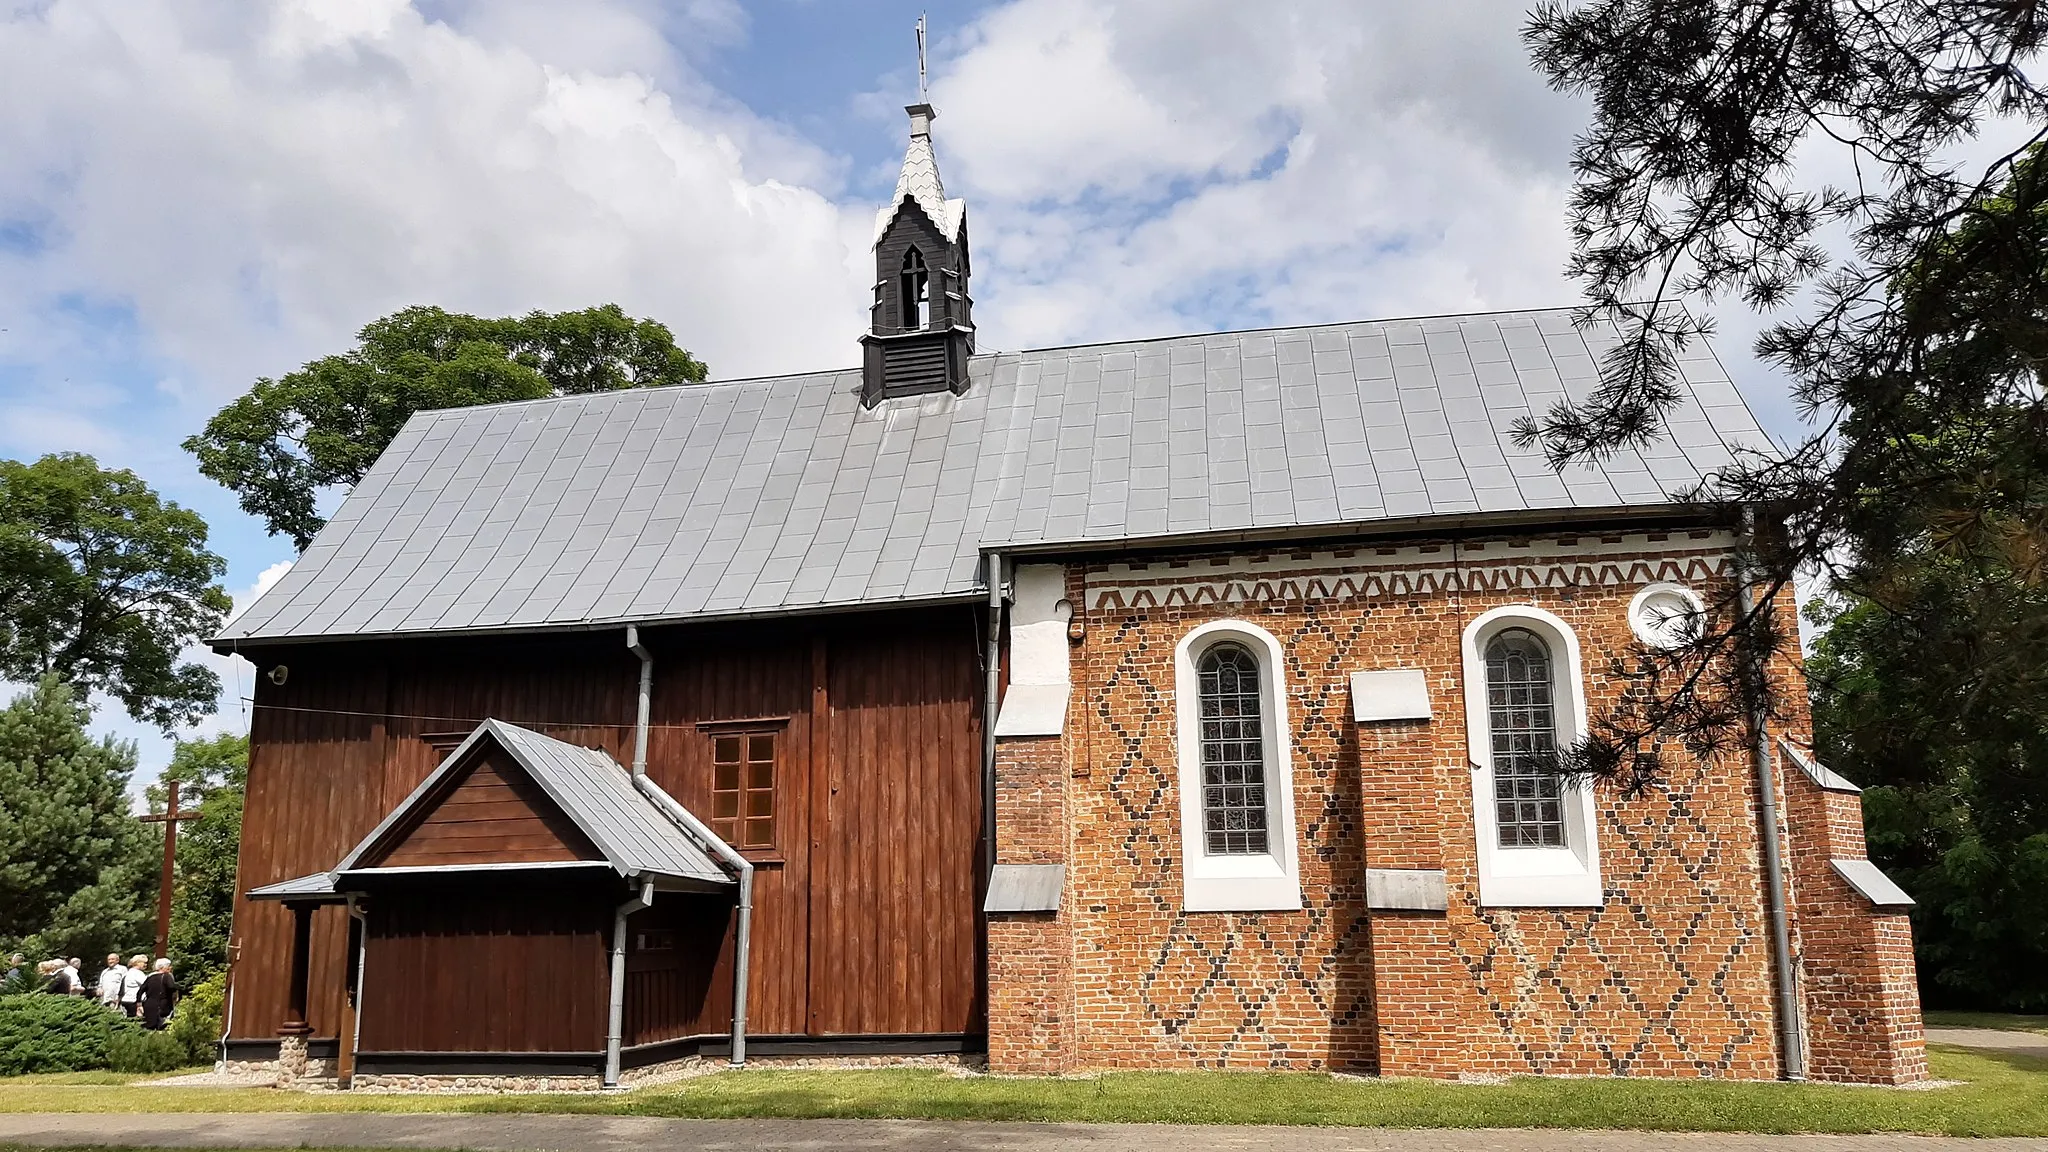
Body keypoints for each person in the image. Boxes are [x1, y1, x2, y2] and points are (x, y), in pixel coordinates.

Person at [138, 958, 178, 1030]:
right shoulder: (167, 976)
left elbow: (140, 991)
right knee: (163, 1026)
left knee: (150, 1027)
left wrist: (139, 1004)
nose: (170, 967)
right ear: (162, 967)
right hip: (163, 1005)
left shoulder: (150, 977)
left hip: (149, 1005)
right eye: (169, 966)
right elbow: (172, 987)